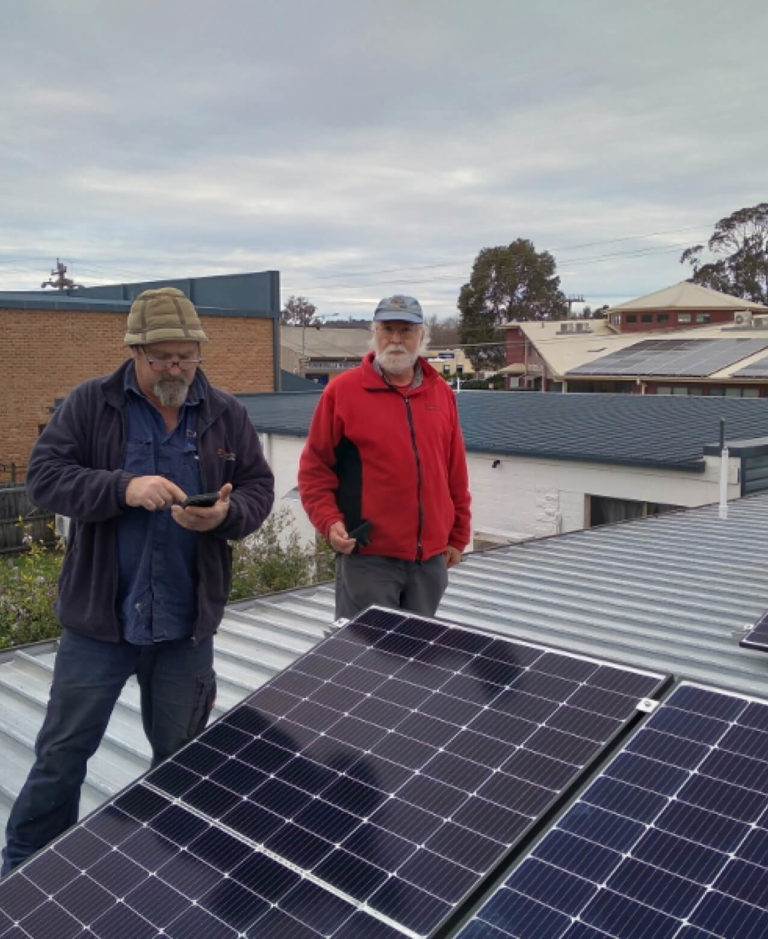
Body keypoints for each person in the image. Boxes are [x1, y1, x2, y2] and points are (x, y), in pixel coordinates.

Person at [1, 286, 274, 875]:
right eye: (162, 358)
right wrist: (123, 487)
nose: (176, 369)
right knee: (62, 755)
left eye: (187, 357)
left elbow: (259, 488)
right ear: (134, 352)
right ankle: (24, 873)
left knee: (182, 762)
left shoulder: (225, 412)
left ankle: (163, 875)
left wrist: (224, 516)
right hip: (99, 624)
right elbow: (45, 478)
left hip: (185, 625)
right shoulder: (91, 403)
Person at [298, 294, 471, 620]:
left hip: (429, 563)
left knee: (418, 650)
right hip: (368, 559)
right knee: (365, 650)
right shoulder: (342, 392)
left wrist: (458, 536)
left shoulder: (441, 393)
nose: (395, 339)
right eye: (387, 329)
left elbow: (454, 471)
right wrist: (329, 521)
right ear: (374, 333)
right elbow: (314, 470)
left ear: (422, 335)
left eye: (405, 330)